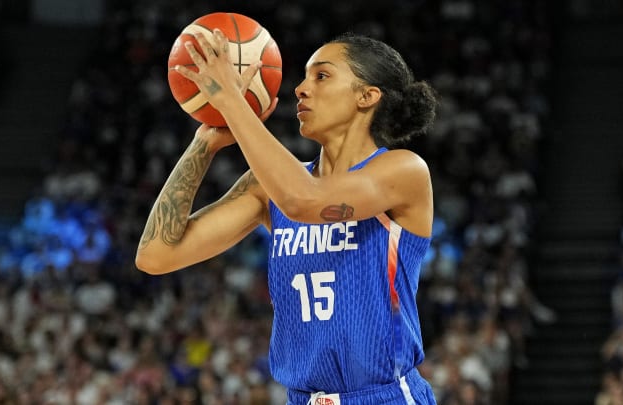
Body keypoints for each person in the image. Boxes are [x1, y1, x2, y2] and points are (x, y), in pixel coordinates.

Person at [136, 29, 438, 404]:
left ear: (367, 96)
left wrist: (233, 101)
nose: (300, 88)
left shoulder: (402, 171)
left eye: (322, 76)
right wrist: (205, 143)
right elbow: (155, 255)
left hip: (385, 396)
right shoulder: (268, 189)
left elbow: (304, 202)